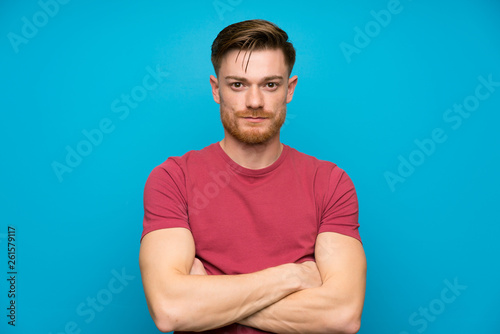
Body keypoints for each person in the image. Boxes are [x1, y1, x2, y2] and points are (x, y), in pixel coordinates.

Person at [139, 19, 366, 334]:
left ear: (290, 88)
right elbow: (172, 310)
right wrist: (293, 277)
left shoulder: (330, 182)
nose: (255, 101)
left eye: (270, 84)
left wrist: (207, 296)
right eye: (238, 84)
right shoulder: (173, 179)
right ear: (216, 89)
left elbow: (341, 315)